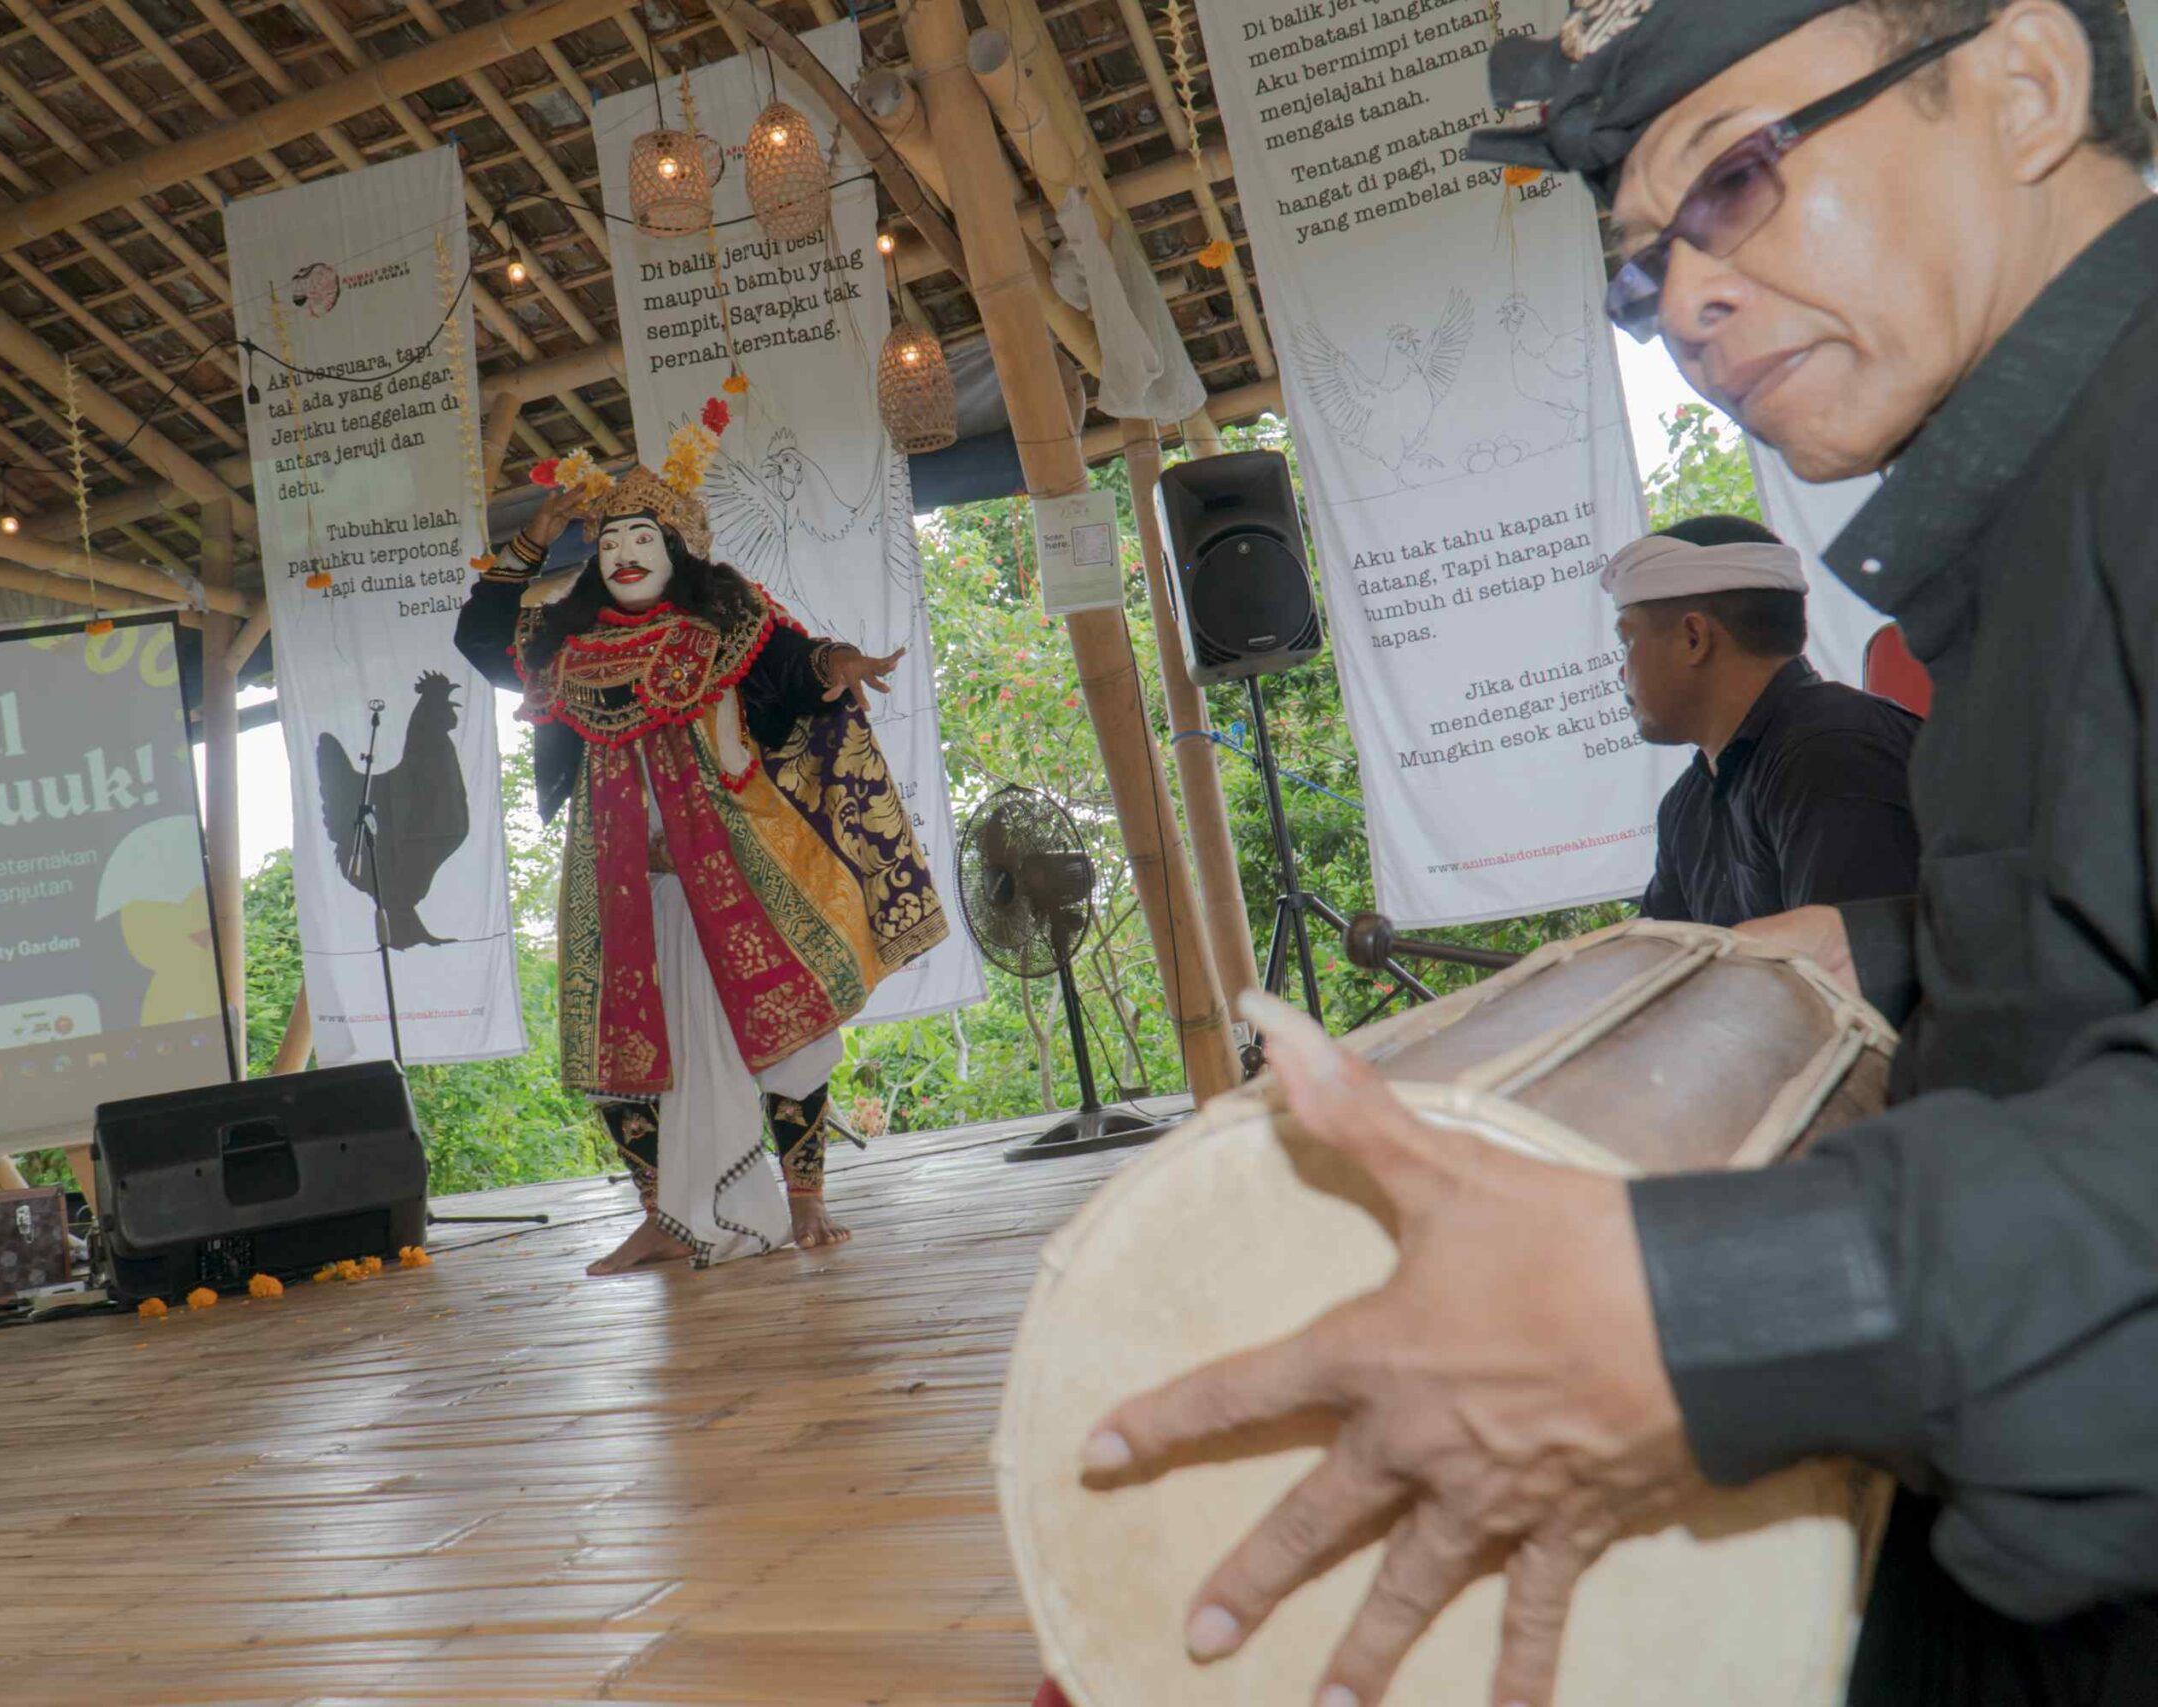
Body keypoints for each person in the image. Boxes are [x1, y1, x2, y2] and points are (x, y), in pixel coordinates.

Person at [1081, 4, 2158, 1703]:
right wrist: (1888, 945)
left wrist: (1689, 1313)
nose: (1692, 312)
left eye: (1734, 181)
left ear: (2026, 84)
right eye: (1648, 274)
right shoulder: (2061, 493)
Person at [456, 433, 948, 1276]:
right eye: (608, 542)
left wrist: (838, 663)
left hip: (737, 872)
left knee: (787, 1031)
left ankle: (804, 1202)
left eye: (642, 537)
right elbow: (479, 636)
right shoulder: (566, 651)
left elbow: (796, 667)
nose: (624, 554)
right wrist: (533, 538)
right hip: (620, 884)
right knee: (627, 1054)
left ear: (678, 548)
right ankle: (663, 1219)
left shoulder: (727, 625)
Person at [1610, 514, 1922, 926]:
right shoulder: (1686, 805)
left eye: (1628, 642)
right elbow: (1660, 968)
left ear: (1693, 639)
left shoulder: (1832, 753)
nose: (1621, 672)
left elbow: (1851, 976)